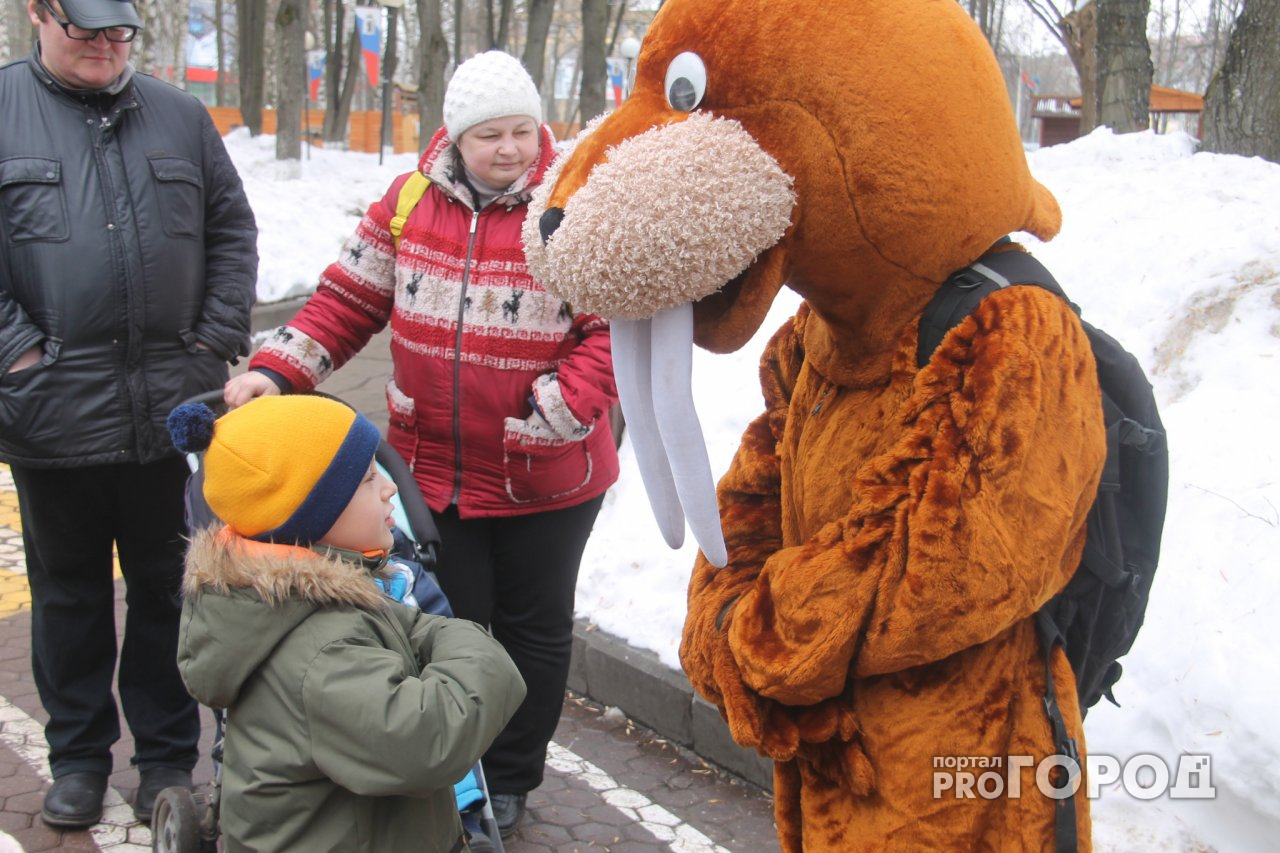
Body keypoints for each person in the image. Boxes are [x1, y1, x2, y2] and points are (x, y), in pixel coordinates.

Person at [224, 50, 619, 836]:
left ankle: (510, 778)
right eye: (488, 136)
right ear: (454, 136)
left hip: (548, 470)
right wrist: (276, 371)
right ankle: (456, 774)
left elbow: (615, 327)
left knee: (534, 630)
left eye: (520, 131)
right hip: (430, 472)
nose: (509, 150)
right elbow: (345, 301)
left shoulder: (575, 203)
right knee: (447, 628)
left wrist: (561, 403)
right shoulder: (407, 204)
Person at [0, 0, 258, 830]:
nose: (107, 49)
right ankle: (77, 756)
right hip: (53, 415)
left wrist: (214, 337)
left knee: (168, 592)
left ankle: (163, 757)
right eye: (87, 33)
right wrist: (19, 355)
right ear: (39, 13)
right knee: (68, 596)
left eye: (121, 34)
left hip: (172, 412)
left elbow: (231, 229)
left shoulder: (180, 118)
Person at [168, 395, 526, 853]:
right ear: (313, 513)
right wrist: (482, 649)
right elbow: (424, 742)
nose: (390, 488)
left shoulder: (302, 602)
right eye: (368, 478)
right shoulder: (322, 649)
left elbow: (407, 624)